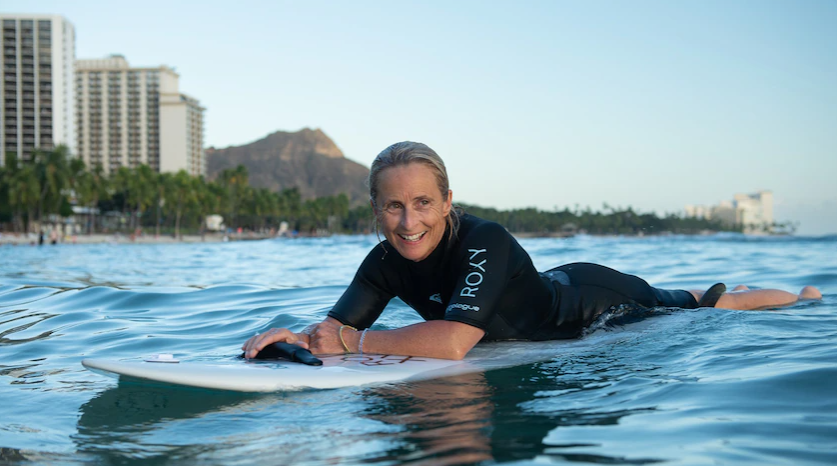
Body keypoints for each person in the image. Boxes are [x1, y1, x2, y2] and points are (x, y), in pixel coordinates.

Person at [242, 142, 822, 361]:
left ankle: (798, 295)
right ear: (376, 210)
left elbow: (450, 343)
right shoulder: (384, 260)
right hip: (549, 290)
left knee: (699, 305)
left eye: (422, 203)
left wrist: (355, 343)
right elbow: (338, 324)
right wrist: (299, 336)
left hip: (595, 305)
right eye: (393, 207)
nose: (408, 220)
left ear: (447, 201)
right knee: (694, 299)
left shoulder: (484, 240)